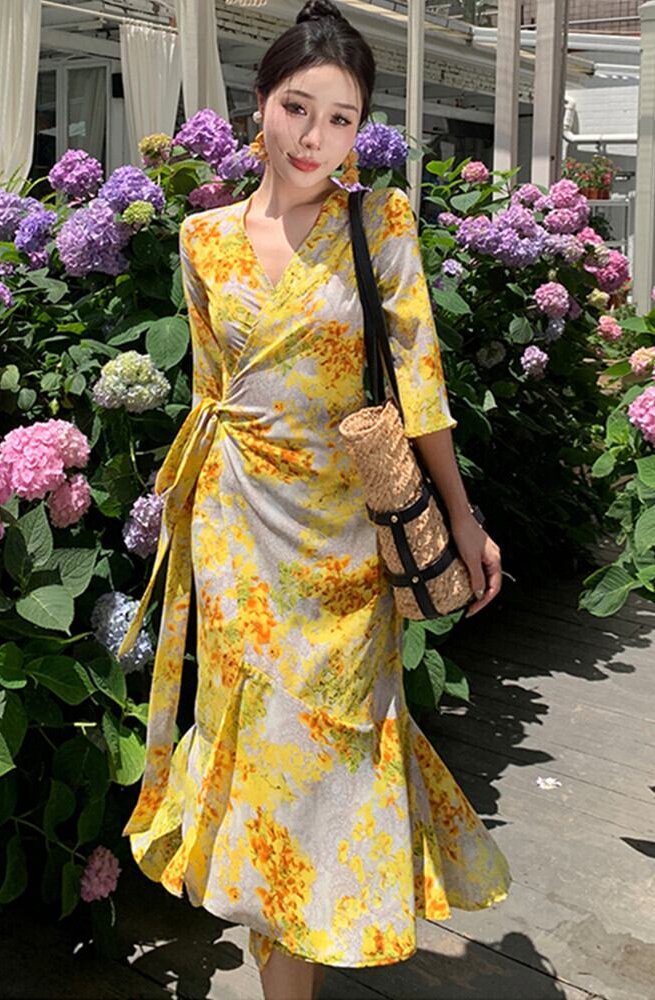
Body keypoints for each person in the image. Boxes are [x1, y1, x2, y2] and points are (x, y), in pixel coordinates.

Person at [118, 2, 511, 998]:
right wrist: (186, 512)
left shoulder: (378, 222)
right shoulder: (203, 239)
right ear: (260, 102)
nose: (314, 139)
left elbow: (419, 384)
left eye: (342, 119)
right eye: (298, 108)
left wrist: (462, 518)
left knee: (331, 753)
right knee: (261, 761)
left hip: (344, 541)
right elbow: (209, 391)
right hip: (237, 533)